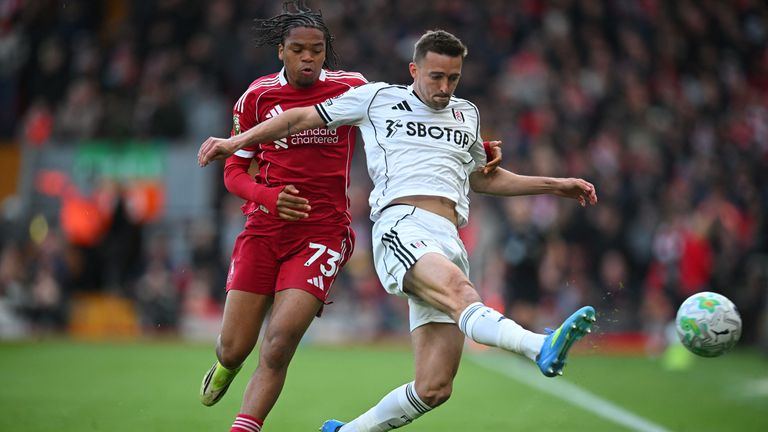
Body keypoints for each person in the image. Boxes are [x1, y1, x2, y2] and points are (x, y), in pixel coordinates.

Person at [198, 30, 597, 432]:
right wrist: (236, 143)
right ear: (414, 69)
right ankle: (539, 346)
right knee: (462, 295)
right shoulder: (378, 99)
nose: (444, 87)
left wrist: (556, 184)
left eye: (453, 78)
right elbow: (299, 117)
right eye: (436, 76)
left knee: (435, 386)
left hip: (448, 238)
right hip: (401, 227)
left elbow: (484, 178)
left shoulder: (467, 114)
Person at [197, 3, 371, 432]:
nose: (308, 58)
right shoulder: (257, 97)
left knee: (277, 346)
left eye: (317, 49)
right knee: (234, 348)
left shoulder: (352, 88)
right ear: (281, 51)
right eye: (298, 49)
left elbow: (406, 111)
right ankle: (226, 366)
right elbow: (234, 171)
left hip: (323, 233)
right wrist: (268, 197)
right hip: (264, 228)